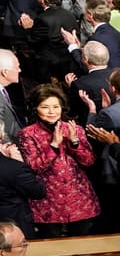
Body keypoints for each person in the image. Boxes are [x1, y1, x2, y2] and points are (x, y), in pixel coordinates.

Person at [17, 85, 99, 237]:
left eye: (56, 107)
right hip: (48, 201)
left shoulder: (75, 129)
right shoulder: (27, 134)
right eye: (45, 107)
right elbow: (34, 167)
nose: (52, 112)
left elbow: (88, 161)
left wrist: (74, 141)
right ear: (36, 109)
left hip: (79, 198)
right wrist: (53, 146)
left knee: (84, 245)